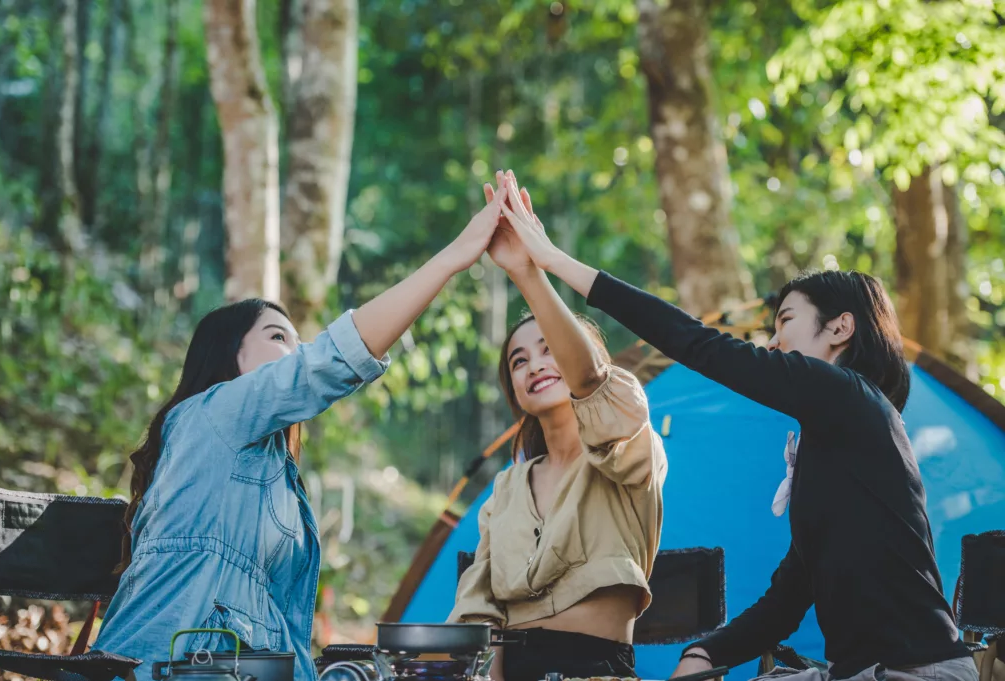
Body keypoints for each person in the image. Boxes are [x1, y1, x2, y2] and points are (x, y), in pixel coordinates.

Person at [493, 168, 977, 681]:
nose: (771, 342)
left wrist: (551, 262)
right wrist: (706, 653)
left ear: (840, 326)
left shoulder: (852, 397)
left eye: (785, 321)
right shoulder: (833, 442)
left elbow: (699, 344)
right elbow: (790, 597)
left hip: (915, 671)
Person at [94, 185, 510, 681]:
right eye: (277, 338)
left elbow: (284, 628)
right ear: (230, 354)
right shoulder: (209, 414)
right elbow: (329, 362)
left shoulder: (277, 473)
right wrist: (452, 259)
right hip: (171, 663)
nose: (296, 353)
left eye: (299, 342)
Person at [449, 172, 667, 681]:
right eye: (519, 361)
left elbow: (591, 381)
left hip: (596, 669)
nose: (535, 365)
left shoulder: (629, 445)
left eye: (549, 348)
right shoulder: (505, 489)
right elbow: (480, 611)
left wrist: (529, 272)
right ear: (515, 391)